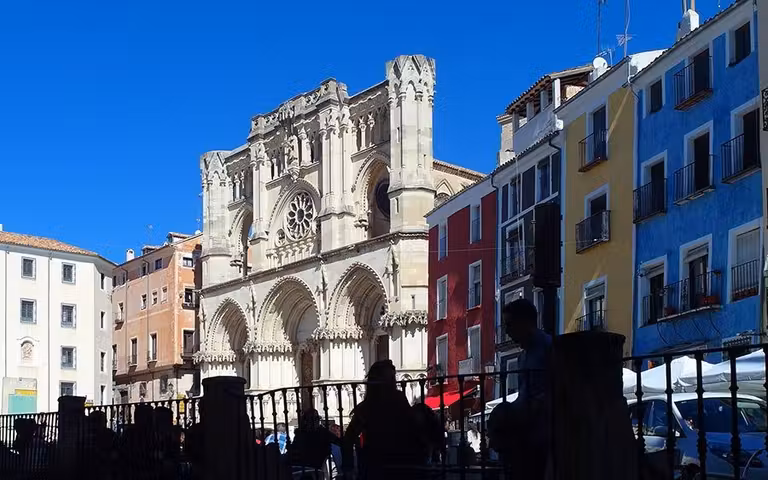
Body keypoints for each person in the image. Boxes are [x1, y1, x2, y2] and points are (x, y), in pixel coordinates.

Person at [488, 298, 552, 480]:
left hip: (540, 432)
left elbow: (547, 392)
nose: (506, 331)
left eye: (509, 324)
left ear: (525, 323)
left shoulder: (548, 348)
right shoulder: (523, 357)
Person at [343, 360, 425, 479]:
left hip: (396, 463)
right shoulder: (368, 407)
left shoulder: (397, 399)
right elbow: (349, 437)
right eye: (391, 378)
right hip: (379, 465)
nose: (394, 381)